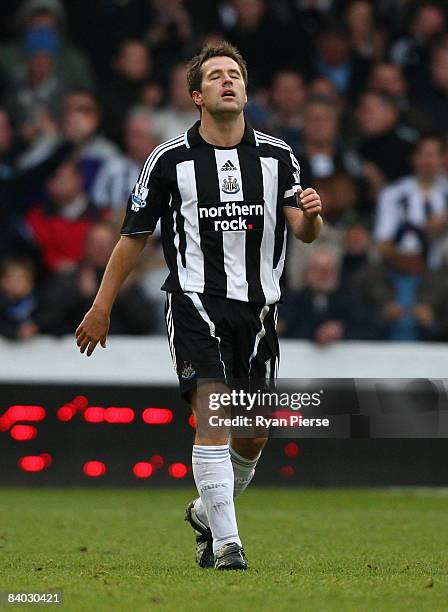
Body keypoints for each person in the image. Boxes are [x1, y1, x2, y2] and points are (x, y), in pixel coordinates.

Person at [75, 41, 322, 570]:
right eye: (216, 76)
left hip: (259, 311)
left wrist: (313, 217)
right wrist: (102, 306)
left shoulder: (279, 156)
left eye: (235, 74)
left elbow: (301, 231)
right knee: (213, 414)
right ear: (197, 96)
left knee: (253, 435)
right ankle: (229, 544)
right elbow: (133, 237)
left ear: (246, 90)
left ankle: (206, 511)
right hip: (195, 302)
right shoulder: (168, 161)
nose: (228, 81)